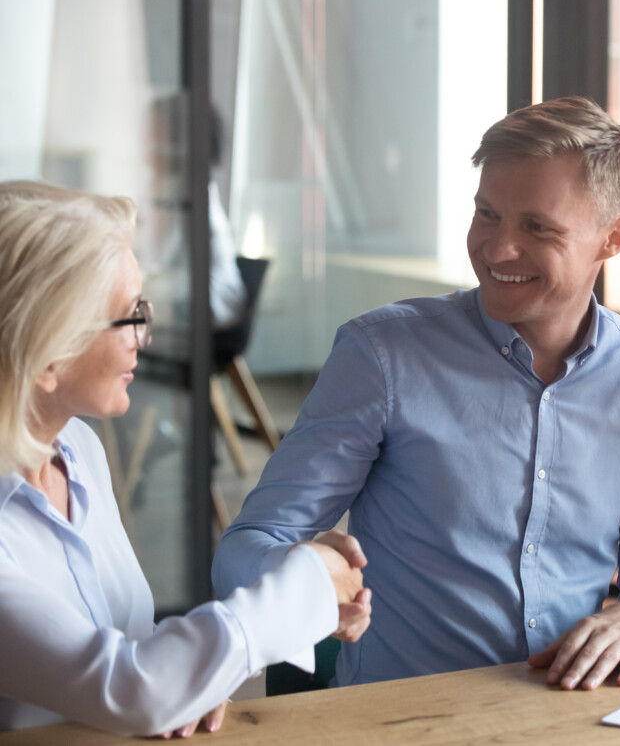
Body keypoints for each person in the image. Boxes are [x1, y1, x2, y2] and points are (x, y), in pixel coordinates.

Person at [213, 96, 620, 690]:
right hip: (404, 722)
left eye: (537, 227)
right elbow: (244, 549)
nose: (498, 250)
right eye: (487, 214)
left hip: (570, 720)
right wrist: (299, 574)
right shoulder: (382, 355)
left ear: (613, 239)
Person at [0, 180, 372, 735]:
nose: (144, 336)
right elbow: (127, 687)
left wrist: (192, 681)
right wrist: (303, 586)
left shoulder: (77, 449)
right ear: (47, 352)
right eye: (127, 317)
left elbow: (134, 648)